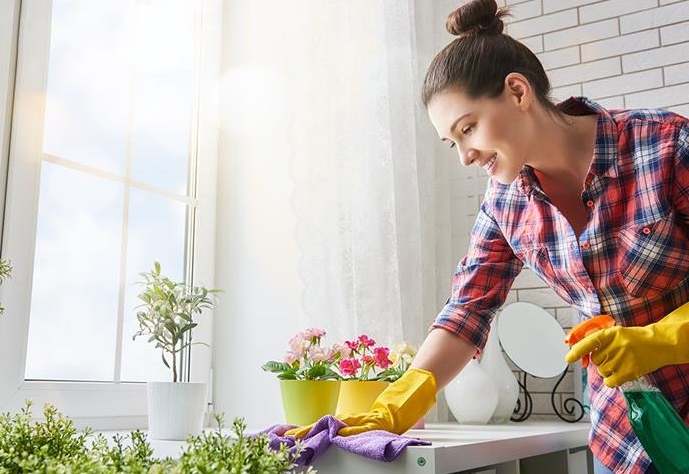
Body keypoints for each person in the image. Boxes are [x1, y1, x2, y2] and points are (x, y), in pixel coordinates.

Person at [286, 0, 689, 472]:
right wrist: (393, 408)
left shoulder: (664, 146)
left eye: (468, 128)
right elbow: (467, 310)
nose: (465, 156)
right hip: (624, 441)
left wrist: (661, 339)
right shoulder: (504, 203)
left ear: (517, 92)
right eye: (452, 142)